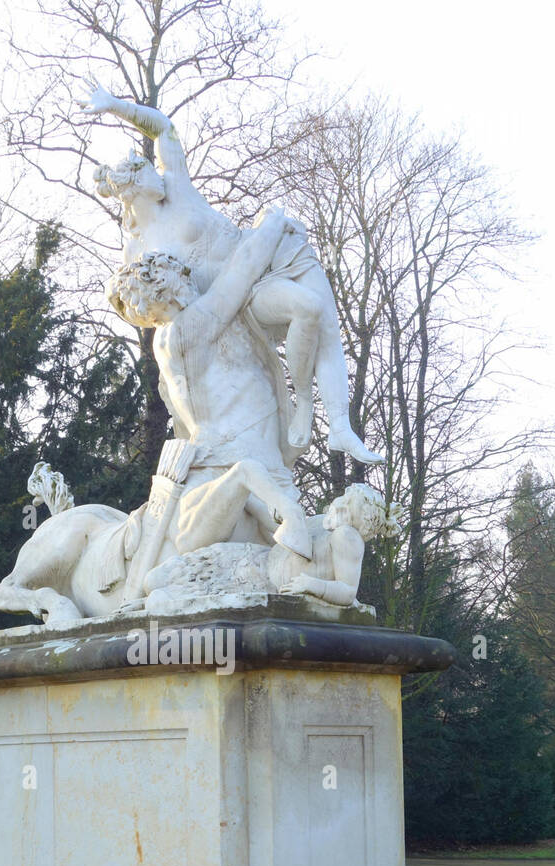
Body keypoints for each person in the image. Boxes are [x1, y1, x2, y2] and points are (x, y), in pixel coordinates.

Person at [80, 83, 382, 464]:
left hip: (265, 255)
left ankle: (339, 425)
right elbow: (141, 306)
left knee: (326, 321)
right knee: (307, 308)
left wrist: (115, 106)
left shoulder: (176, 187)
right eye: (148, 174)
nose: (158, 175)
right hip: (236, 305)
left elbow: (164, 129)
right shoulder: (137, 251)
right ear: (135, 186)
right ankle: (304, 401)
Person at [107, 210, 315, 560]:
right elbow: (245, 267)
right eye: (179, 272)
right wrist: (274, 223)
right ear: (166, 287)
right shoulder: (189, 328)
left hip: (230, 452)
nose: (188, 277)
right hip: (240, 454)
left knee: (295, 544)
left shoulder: (172, 338)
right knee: (299, 547)